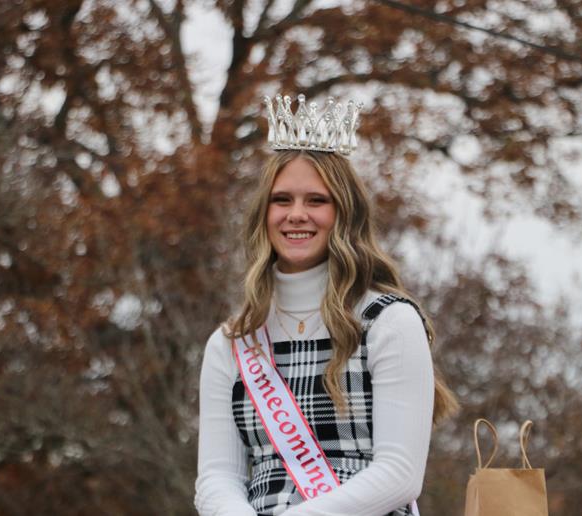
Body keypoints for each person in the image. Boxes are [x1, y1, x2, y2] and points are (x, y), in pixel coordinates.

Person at [195, 94, 458, 516]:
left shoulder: (388, 322)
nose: (296, 214)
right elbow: (216, 478)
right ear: (264, 214)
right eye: (282, 200)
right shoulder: (232, 342)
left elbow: (400, 474)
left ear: (344, 214)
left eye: (316, 201)